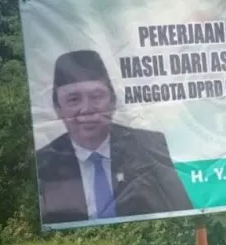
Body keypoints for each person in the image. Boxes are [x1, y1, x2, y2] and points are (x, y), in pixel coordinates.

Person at [36, 50, 193, 224]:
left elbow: (182, 211)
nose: (87, 109)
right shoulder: (44, 163)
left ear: (113, 101)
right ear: (58, 109)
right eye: (73, 99)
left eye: (96, 97)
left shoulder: (147, 146)